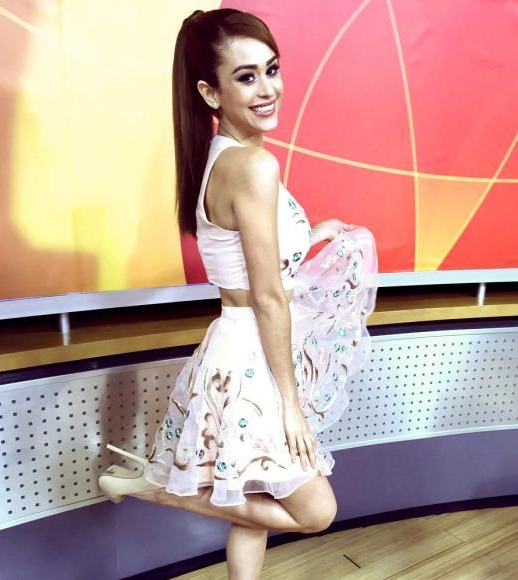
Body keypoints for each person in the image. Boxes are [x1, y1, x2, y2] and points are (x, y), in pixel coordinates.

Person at [98, 8, 378, 579]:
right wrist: (291, 405)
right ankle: (150, 486)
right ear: (210, 92)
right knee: (316, 511)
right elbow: (268, 297)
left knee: (256, 502)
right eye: (246, 77)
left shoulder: (221, 157)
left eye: (271, 69)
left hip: (239, 343)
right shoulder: (254, 165)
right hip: (255, 356)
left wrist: (311, 234)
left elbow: (250, 262)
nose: (268, 89)